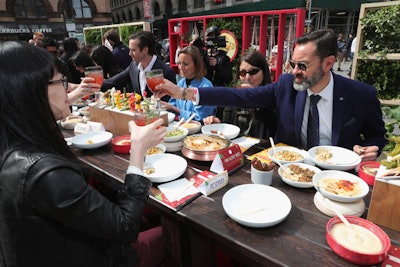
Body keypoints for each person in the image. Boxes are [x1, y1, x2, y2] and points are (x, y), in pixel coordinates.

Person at [0, 41, 167, 266]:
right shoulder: (43, 172)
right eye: (61, 81)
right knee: (171, 235)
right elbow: (126, 227)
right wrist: (138, 150)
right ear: (33, 92)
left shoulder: (14, 146)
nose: (67, 88)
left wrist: (68, 101)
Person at [156, 29, 387, 162]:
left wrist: (371, 148)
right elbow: (238, 97)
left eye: (303, 66)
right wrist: (183, 92)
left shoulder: (361, 95)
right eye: (292, 63)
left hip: (339, 180)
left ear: (328, 63)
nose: (295, 72)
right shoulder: (285, 85)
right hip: (289, 171)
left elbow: (378, 136)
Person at [203, 50, 277, 139]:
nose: (247, 77)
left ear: (264, 73)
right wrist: (218, 124)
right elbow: (228, 125)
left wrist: (256, 99)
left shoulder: (273, 98)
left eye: (253, 72)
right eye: (243, 73)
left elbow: (273, 128)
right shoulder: (236, 96)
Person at [101, 31, 176, 102]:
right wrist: (95, 84)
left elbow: (172, 102)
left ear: (145, 50)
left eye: (133, 50)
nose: (129, 53)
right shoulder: (133, 66)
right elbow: (114, 82)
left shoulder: (167, 72)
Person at [161, 46, 216, 122]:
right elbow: (172, 104)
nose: (181, 67)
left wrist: (176, 110)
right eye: (179, 63)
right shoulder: (181, 83)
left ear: (196, 65)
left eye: (185, 64)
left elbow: (201, 118)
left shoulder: (205, 87)